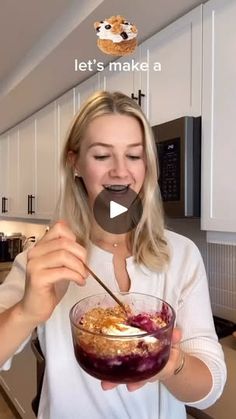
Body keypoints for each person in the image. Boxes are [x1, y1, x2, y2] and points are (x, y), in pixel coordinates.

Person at [0, 91, 226, 419]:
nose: (121, 171)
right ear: (74, 162)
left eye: (134, 156)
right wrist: (26, 313)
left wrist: (167, 364)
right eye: (102, 156)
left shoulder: (181, 255)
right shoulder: (46, 260)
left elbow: (210, 388)